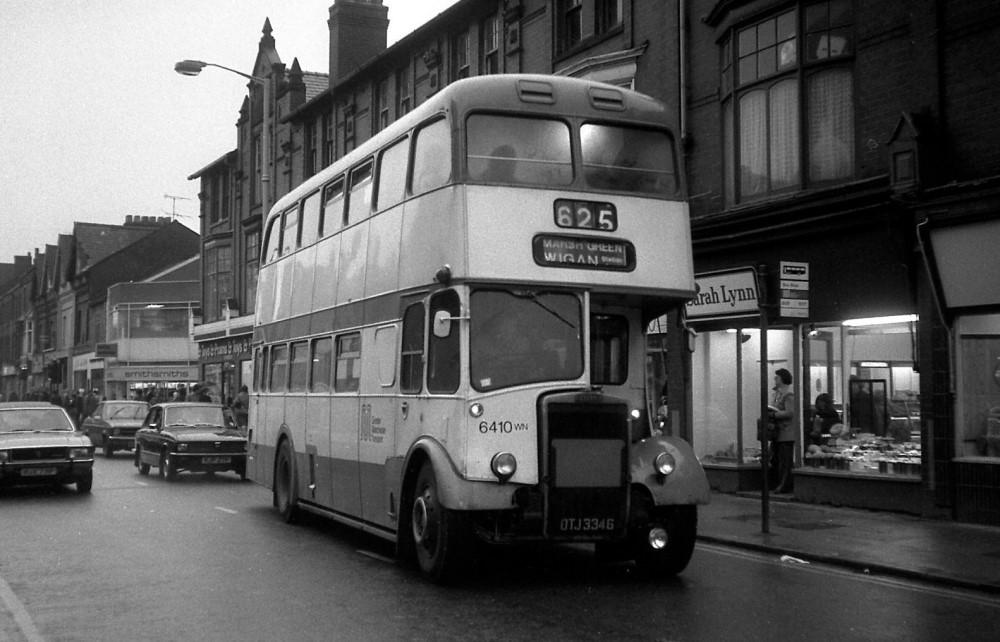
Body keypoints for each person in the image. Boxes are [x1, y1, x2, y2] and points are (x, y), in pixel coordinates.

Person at [770, 368, 796, 493]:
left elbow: (790, 412)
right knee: (778, 459)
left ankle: (785, 484)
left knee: (785, 461)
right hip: (778, 432)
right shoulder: (777, 393)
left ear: (783, 379)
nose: (775, 379)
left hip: (786, 432)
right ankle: (779, 482)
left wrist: (774, 415)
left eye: (777, 377)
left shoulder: (788, 394)